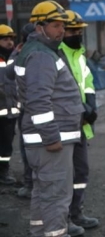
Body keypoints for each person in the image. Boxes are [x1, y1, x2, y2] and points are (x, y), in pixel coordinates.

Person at [15, 0, 86, 237]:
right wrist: (51, 136)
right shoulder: (41, 56)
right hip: (51, 141)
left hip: (45, 139)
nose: (61, 31)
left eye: (62, 26)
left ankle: (40, 231)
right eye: (55, 25)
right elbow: (38, 100)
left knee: (44, 191)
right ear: (38, 27)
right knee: (56, 194)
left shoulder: (38, 52)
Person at [60, 10, 100, 233]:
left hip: (81, 123)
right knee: (64, 174)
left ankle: (76, 213)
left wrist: (91, 106)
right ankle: (63, 219)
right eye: (72, 30)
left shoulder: (80, 55)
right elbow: (63, 91)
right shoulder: (57, 55)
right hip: (65, 123)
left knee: (81, 171)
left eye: (79, 31)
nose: (77, 34)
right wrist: (84, 109)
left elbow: (87, 84)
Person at [15, 23, 36, 199]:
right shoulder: (47, 52)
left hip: (29, 110)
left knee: (29, 148)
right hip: (32, 109)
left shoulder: (25, 54)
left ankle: (31, 184)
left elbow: (9, 74)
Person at [0, 24, 18, 185]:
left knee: (6, 145)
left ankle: (4, 171)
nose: (9, 42)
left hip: (10, 111)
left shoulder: (15, 57)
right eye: (5, 39)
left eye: (11, 39)